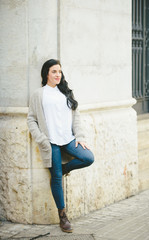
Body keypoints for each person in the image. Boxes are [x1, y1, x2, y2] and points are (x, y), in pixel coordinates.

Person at [27, 59, 94, 233]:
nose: (58, 75)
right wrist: (42, 139)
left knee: (88, 158)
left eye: (59, 72)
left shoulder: (66, 92)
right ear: (46, 74)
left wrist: (79, 136)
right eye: (54, 71)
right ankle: (63, 216)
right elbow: (31, 119)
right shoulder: (39, 94)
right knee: (56, 178)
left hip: (69, 139)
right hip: (51, 142)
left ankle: (64, 169)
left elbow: (76, 116)